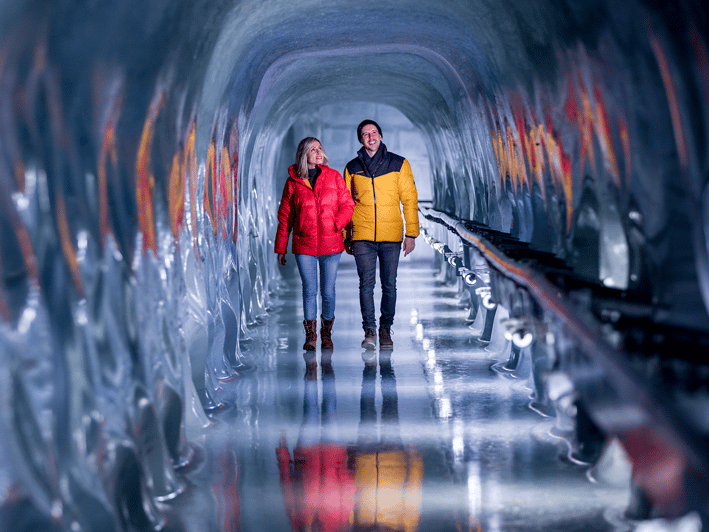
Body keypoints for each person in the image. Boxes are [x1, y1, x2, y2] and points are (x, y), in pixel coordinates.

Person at [344, 120, 419, 350]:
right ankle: (370, 330)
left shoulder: (399, 164)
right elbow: (345, 203)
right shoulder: (352, 168)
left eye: (374, 132)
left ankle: (385, 329)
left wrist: (412, 233)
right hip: (363, 234)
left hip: (391, 235)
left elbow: (409, 199)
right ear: (360, 140)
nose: (371, 137)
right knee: (366, 284)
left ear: (381, 135)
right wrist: (348, 234)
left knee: (389, 285)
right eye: (365, 134)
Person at [275, 137, 355, 351]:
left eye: (320, 148)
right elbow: (285, 217)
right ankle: (311, 336)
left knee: (328, 290)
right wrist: (281, 248)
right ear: (304, 154)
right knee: (309, 290)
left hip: (331, 243)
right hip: (304, 244)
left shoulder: (334, 177)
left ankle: (326, 333)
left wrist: (336, 224)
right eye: (313, 149)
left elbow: (348, 204)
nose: (318, 152)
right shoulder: (293, 182)